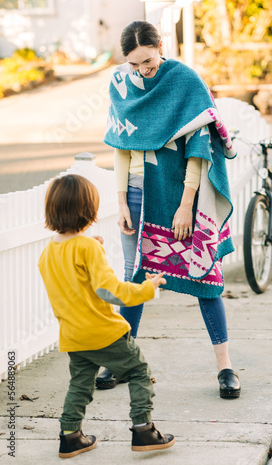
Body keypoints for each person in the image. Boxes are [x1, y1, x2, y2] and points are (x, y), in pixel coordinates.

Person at [100, 20, 241, 399]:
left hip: (180, 195)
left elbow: (199, 149)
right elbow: (120, 145)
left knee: (205, 277)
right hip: (135, 193)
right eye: (135, 65)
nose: (143, 70)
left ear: (160, 46)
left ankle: (225, 367)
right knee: (135, 279)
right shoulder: (120, 84)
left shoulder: (185, 81)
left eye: (148, 61)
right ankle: (122, 361)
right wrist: (120, 202)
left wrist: (186, 206)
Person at [38, 174, 175, 458]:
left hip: (74, 336)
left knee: (80, 384)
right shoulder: (87, 248)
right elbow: (109, 291)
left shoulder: (48, 253)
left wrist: (93, 247)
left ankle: (70, 436)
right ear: (88, 211)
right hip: (104, 332)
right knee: (138, 372)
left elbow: (74, 281)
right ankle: (143, 430)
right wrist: (146, 288)